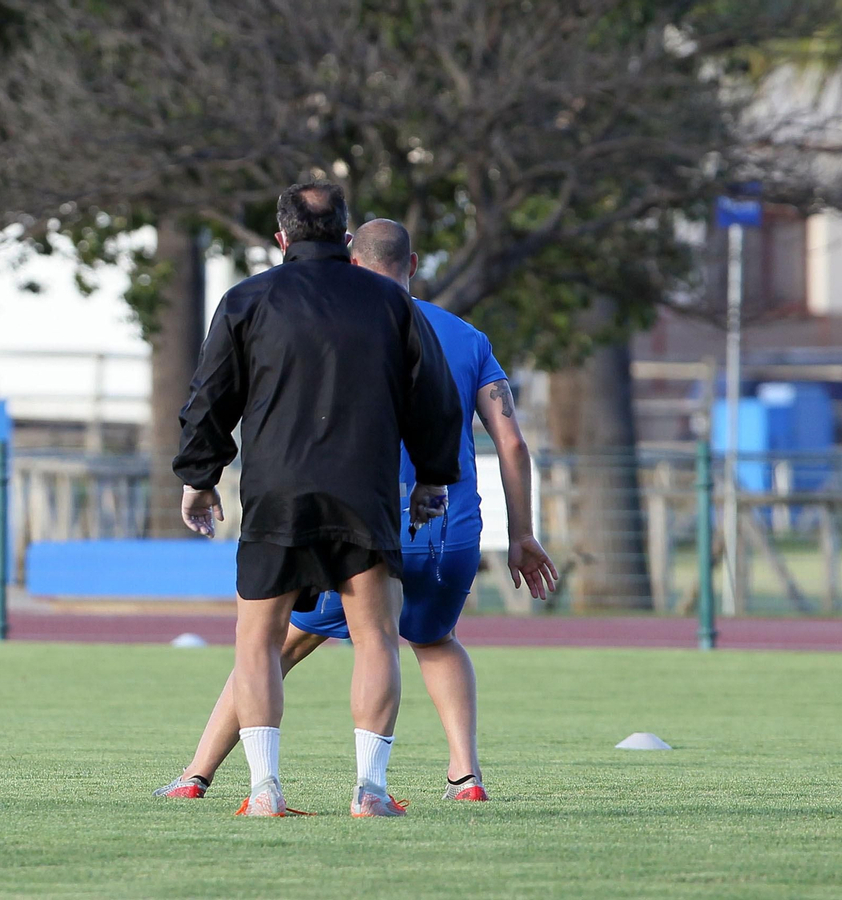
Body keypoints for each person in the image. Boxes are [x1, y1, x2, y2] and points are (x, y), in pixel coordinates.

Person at [157, 219, 558, 809]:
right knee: (435, 638)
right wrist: (522, 533)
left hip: (366, 515)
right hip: (449, 526)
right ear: (413, 263)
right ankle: (464, 777)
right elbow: (513, 445)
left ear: (349, 258)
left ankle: (200, 774)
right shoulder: (467, 337)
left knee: (274, 642)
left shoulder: (344, 320)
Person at [174, 185, 464, 817]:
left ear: (282, 238)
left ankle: (264, 790)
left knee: (258, 640)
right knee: (376, 638)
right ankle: (370, 789)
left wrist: (199, 476)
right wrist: (433, 478)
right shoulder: (392, 301)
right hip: (364, 493)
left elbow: (210, 398)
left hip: (277, 493)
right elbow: (435, 396)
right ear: (344, 233)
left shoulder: (247, 300)